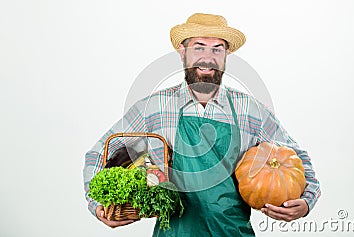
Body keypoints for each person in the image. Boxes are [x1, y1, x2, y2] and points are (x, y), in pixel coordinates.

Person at [83, 13, 321, 236]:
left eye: (217, 49)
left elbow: (297, 159)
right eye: (199, 48)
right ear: (182, 51)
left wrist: (305, 203)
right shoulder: (154, 108)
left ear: (226, 55)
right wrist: (96, 205)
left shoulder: (250, 110)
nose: (208, 58)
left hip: (231, 232)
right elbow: (99, 152)